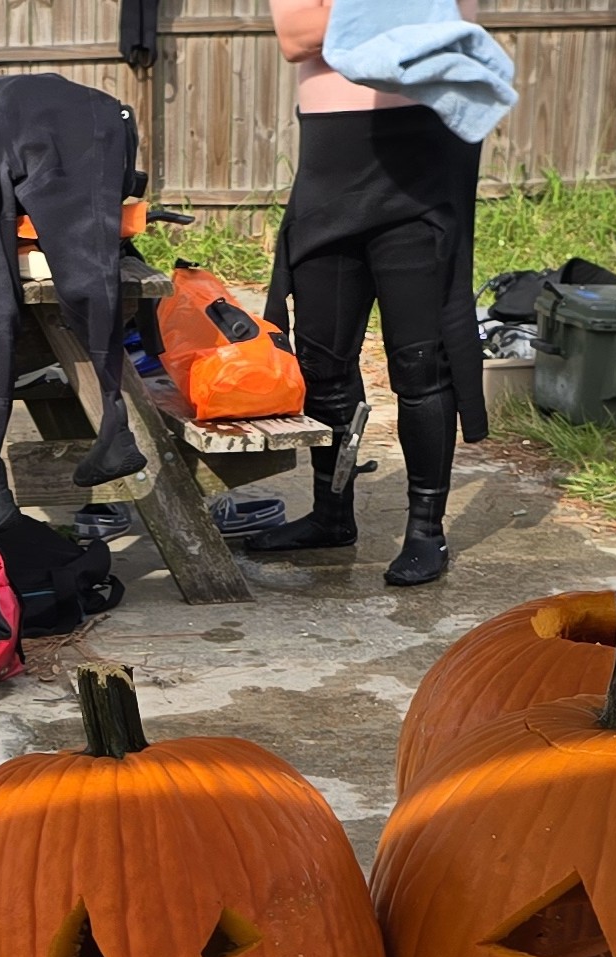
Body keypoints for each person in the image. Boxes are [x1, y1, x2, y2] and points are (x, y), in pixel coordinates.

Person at [248, 0, 493, 587]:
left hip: (420, 162)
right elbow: (295, 34)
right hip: (330, 164)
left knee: (419, 362)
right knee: (321, 360)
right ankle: (332, 516)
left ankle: (425, 532)